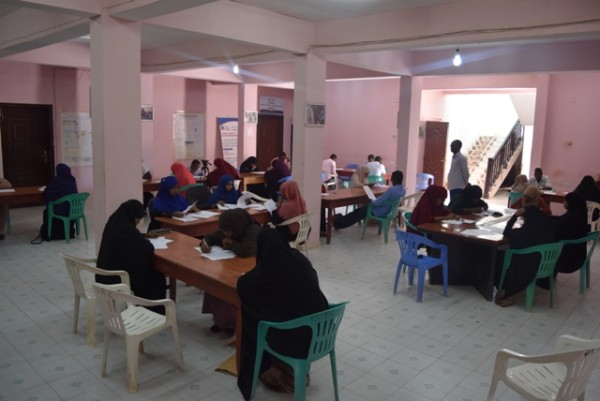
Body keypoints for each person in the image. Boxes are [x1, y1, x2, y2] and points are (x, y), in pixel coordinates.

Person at [236, 229, 329, 399]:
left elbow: (245, 286)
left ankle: (276, 369)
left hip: (299, 340)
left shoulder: (269, 268)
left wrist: (244, 278)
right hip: (323, 333)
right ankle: (290, 370)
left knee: (261, 323)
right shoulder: (299, 258)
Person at [95, 200, 166, 314]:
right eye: (139, 218)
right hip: (115, 277)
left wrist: (143, 235)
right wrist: (145, 240)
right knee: (156, 277)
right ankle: (151, 311)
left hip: (103, 273)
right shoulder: (127, 230)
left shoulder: (115, 221)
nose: (139, 222)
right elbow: (146, 248)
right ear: (133, 215)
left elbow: (131, 241)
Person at [199, 209, 262, 333]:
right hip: (230, 263)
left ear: (236, 226)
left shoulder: (253, 230)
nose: (226, 234)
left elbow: (246, 251)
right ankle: (220, 321)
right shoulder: (231, 228)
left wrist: (231, 243)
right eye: (224, 231)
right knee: (215, 282)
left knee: (230, 288)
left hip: (249, 267)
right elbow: (210, 237)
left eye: (228, 231)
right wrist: (205, 243)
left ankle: (232, 324)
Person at [494, 206, 555, 307]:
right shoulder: (548, 231)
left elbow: (506, 232)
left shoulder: (524, 233)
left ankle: (500, 285)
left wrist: (514, 216)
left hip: (529, 267)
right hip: (545, 265)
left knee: (500, 255)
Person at [333, 170, 406, 229]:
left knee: (357, 213)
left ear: (394, 179)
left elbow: (378, 202)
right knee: (358, 212)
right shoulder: (403, 190)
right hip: (389, 210)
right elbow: (384, 199)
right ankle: (339, 220)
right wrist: (375, 200)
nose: (391, 179)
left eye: (391, 178)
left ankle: (338, 224)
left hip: (379, 211)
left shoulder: (391, 190)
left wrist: (371, 202)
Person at [34, 163, 79, 242]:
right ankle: (68, 232)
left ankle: (50, 233)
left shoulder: (57, 181)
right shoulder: (72, 180)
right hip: (74, 210)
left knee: (47, 211)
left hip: (61, 212)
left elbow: (48, 191)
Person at [551, 192, 588, 274]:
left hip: (569, 258)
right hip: (578, 254)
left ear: (571, 202)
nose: (563, 202)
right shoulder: (579, 214)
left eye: (565, 200)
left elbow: (559, 226)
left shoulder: (573, 217)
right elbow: (561, 220)